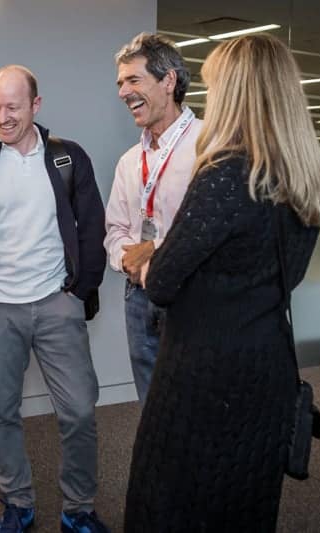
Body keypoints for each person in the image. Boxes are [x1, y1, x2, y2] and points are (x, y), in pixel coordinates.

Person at [124, 34, 320, 531]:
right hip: (267, 370)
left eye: (215, 85)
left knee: (170, 505)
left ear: (235, 91)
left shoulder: (226, 171)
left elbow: (164, 282)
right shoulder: (307, 178)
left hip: (205, 374)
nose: (209, 97)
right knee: (245, 504)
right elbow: (265, 266)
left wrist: (147, 258)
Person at [0, 65, 109, 533]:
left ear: (36, 106)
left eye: (13, 107)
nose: (2, 116)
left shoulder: (67, 158)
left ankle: (78, 509)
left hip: (58, 302)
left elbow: (92, 224)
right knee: (2, 414)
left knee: (79, 411)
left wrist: (81, 290)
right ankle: (18, 504)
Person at [104, 33, 202, 405]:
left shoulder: (210, 145)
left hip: (189, 298)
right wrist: (124, 256)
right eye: (119, 83)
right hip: (138, 297)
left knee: (193, 406)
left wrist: (154, 250)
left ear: (169, 81)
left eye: (133, 80)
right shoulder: (129, 161)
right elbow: (115, 229)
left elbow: (216, 233)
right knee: (151, 404)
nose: (122, 92)